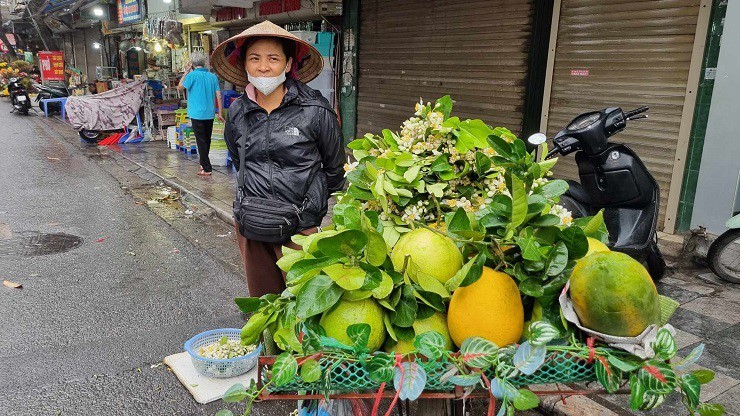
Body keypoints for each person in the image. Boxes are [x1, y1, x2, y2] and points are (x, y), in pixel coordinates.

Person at [212, 21, 344, 297]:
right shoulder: (237, 112)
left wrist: (310, 206)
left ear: (287, 64)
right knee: (265, 305)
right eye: (254, 58)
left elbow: (335, 169)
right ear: (245, 65)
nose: (263, 67)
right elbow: (239, 161)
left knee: (302, 306)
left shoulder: (315, 110)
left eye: (273, 58)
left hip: (299, 227)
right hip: (252, 223)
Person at [178, 51, 224, 176]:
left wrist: (186, 71)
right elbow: (218, 95)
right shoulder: (212, 76)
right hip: (209, 113)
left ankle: (207, 168)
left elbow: (180, 87)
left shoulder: (192, 76)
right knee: (206, 140)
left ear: (192, 63)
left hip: (196, 113)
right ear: (204, 63)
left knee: (201, 141)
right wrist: (220, 112)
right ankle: (203, 165)